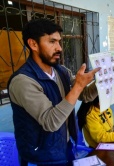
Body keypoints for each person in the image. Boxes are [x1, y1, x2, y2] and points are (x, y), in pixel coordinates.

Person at [7, 18, 100, 165]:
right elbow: (51, 122)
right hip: (41, 156)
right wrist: (77, 86)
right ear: (33, 44)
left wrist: (102, 81)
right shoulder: (23, 81)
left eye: (59, 41)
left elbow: (86, 95)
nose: (59, 48)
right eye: (52, 42)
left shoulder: (61, 71)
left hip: (65, 145)